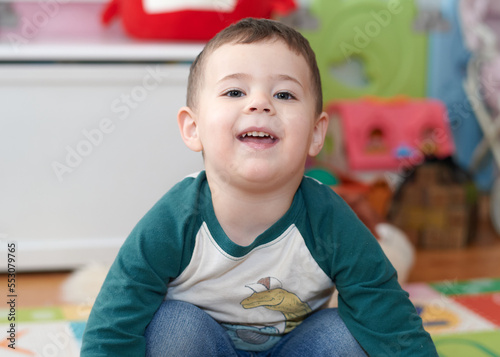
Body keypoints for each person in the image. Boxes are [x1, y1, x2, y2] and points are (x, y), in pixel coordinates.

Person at [81, 18, 437, 356]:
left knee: (346, 335)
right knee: (172, 328)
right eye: (235, 91)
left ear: (315, 133)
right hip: (203, 346)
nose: (259, 103)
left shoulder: (329, 220)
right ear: (193, 128)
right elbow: (113, 324)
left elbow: (387, 312)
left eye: (284, 95)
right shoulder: (174, 220)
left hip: (298, 347)